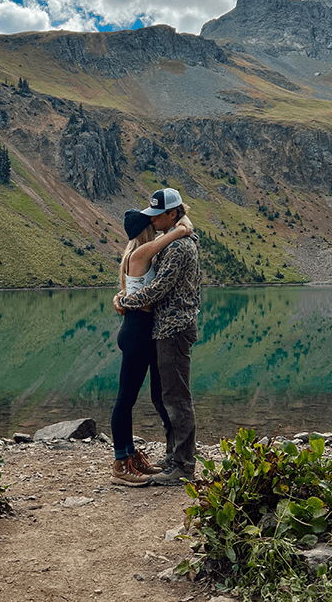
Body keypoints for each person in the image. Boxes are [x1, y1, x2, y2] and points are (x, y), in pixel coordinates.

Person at [114, 188, 201, 486]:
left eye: (157, 214)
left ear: (172, 213)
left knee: (174, 397)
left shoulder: (177, 248)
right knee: (161, 397)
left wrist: (123, 301)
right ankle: (173, 459)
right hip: (156, 330)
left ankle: (182, 464)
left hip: (172, 330)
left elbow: (158, 289)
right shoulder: (164, 246)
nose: (153, 220)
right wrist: (125, 299)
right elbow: (148, 289)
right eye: (149, 217)